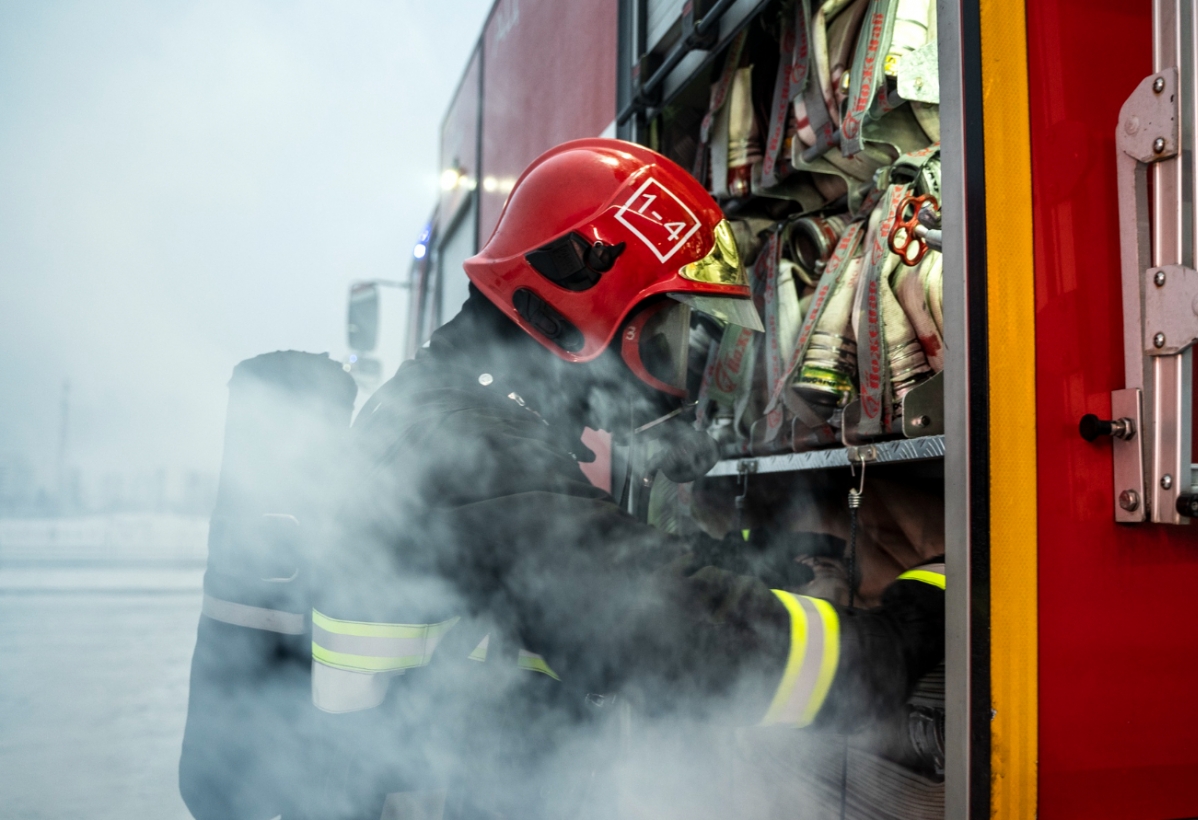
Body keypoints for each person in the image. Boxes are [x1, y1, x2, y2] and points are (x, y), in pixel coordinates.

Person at [304, 138, 944, 819]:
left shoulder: (454, 410)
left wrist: (737, 563)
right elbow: (674, 636)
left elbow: (559, 579)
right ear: (577, 304)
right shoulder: (473, 446)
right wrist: (898, 640)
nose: (678, 386)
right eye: (668, 340)